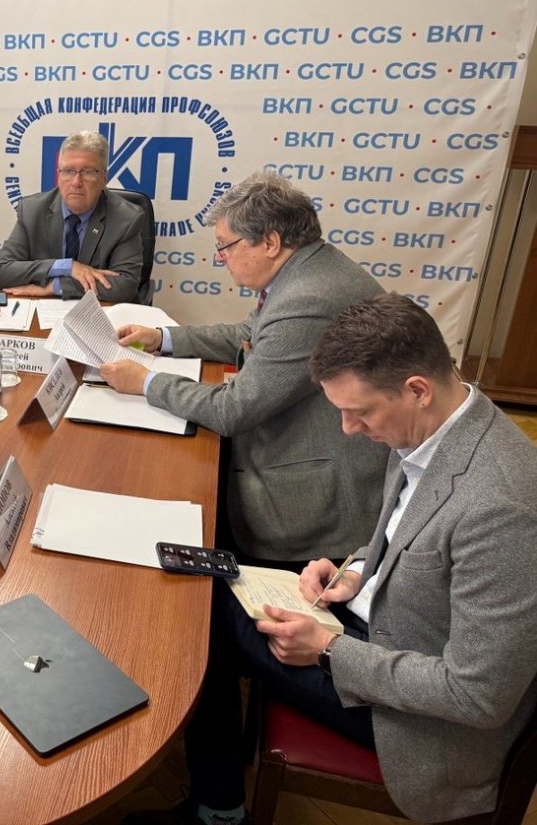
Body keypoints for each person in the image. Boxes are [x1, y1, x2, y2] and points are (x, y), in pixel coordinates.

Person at [128, 293, 537, 825]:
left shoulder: (503, 510)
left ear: (417, 389)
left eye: (358, 412)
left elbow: (478, 696)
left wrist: (327, 650)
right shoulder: (441, 427)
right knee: (212, 586)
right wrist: (357, 570)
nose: (347, 429)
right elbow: (412, 530)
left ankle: (219, 813)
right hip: (384, 630)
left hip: (426, 722)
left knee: (206, 620)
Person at [100, 168, 387, 566]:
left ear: (270, 242)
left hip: (315, 504)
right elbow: (246, 333)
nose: (220, 258)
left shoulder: (308, 300)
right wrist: (162, 338)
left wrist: (146, 382)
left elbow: (232, 409)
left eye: (225, 246)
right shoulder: (306, 270)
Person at [0, 130, 145, 302]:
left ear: (104, 177)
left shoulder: (126, 219)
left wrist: (55, 287)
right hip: (43, 312)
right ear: (58, 175)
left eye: (87, 172)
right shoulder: (32, 211)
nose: (76, 182)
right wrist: (66, 266)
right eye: (68, 171)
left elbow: (124, 286)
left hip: (99, 311)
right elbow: (3, 273)